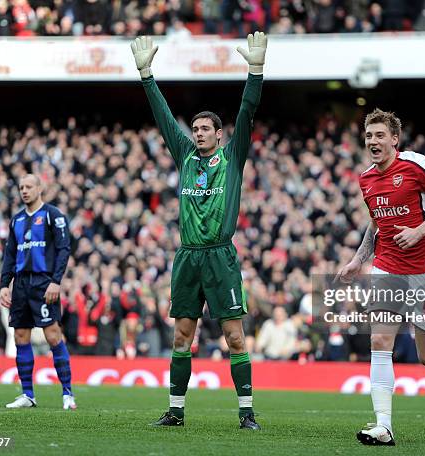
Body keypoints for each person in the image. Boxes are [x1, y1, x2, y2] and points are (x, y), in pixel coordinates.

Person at [130, 32, 267, 429]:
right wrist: (146, 76)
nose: (199, 133)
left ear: (219, 134)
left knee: (234, 338)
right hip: (187, 255)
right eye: (196, 128)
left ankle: (247, 413)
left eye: (206, 128)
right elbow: (161, 116)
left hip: (221, 255)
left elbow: (247, 113)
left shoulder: (233, 156)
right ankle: (175, 411)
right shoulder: (185, 155)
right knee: (181, 336)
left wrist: (255, 72)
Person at [336, 109, 425, 446]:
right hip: (387, 265)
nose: (373, 141)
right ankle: (383, 426)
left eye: (379, 135)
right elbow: (376, 222)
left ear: (394, 139)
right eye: (369, 135)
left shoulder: (414, 165)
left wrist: (419, 231)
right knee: (380, 341)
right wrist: (360, 258)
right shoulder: (366, 179)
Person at [0, 174, 75, 410]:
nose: (24, 191)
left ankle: (67, 393)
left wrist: (56, 281)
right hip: (21, 284)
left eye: (29, 186)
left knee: (53, 335)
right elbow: (10, 255)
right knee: (20, 336)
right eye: (21, 187)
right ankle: (28, 395)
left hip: (44, 284)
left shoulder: (53, 216)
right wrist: (4, 284)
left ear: (40, 189)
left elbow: (64, 250)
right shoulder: (17, 220)